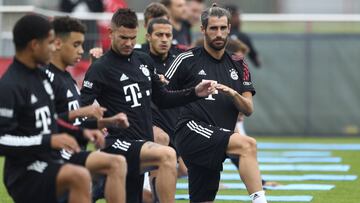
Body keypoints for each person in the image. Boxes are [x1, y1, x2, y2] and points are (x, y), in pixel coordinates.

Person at [80, 8, 216, 203]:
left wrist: (194, 92)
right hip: (119, 143)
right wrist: (96, 127)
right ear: (110, 33)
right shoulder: (99, 68)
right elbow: (80, 110)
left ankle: (97, 187)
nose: (128, 43)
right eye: (123, 38)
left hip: (142, 143)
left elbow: (163, 99)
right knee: (168, 155)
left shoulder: (143, 60)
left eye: (132, 38)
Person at [165, 4, 268, 203]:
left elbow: (248, 109)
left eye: (222, 28)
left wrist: (233, 94)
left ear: (229, 28)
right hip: (191, 131)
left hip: (216, 138)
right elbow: (161, 94)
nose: (218, 33)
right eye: (213, 28)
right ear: (203, 29)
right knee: (247, 144)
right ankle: (260, 200)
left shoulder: (238, 63)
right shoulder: (186, 59)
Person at [0, 14, 92, 203]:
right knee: (80, 176)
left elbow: (52, 120)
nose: (54, 47)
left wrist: (83, 133)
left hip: (49, 159)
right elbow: (2, 140)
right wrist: (48, 140)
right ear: (35, 45)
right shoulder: (9, 85)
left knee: (113, 163)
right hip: (24, 170)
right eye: (50, 42)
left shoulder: (42, 77)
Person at [43, 16, 128, 203]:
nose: (81, 50)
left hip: (74, 152)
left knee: (118, 161)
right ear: (57, 43)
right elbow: (44, 121)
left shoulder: (67, 79)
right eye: (76, 44)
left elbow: (73, 122)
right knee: (115, 163)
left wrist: (104, 122)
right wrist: (81, 112)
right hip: (56, 158)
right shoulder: (46, 78)